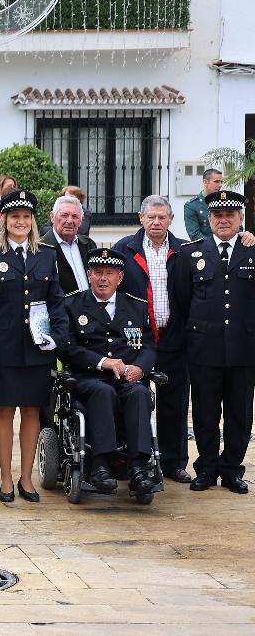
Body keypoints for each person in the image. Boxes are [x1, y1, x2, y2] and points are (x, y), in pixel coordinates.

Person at [0, 190, 67, 503]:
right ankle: (4, 478)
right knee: (4, 412)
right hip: (4, 349)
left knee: (32, 413)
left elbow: (56, 302)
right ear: (4, 220)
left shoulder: (47, 255)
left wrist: (57, 336)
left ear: (33, 221)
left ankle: (27, 478)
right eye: (15, 217)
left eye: (26, 217)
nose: (21, 222)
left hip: (38, 348)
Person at [57, 249, 159, 496]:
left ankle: (137, 468)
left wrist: (140, 368)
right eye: (98, 273)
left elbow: (148, 346)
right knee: (102, 391)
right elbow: (67, 348)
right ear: (89, 275)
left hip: (128, 378)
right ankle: (100, 466)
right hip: (89, 378)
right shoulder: (72, 305)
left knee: (140, 394)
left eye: (109, 274)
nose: (103, 279)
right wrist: (103, 362)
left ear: (120, 278)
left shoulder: (136, 306)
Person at [111, 196, 193, 483]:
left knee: (174, 401)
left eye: (162, 217)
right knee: (132, 398)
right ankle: (131, 459)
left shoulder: (185, 250)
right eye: (151, 217)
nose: (156, 223)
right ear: (140, 218)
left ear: (171, 219)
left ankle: (173, 462)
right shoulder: (125, 248)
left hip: (174, 336)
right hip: (136, 341)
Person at [178, 189, 254, 494]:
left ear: (241, 219)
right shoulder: (191, 253)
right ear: (209, 219)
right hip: (204, 348)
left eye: (229, 215)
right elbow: (183, 301)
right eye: (218, 215)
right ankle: (206, 468)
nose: (223, 220)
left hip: (244, 349)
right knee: (206, 413)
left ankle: (233, 470)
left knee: (240, 413)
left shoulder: (253, 252)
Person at [40, 195, 95, 295]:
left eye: (75, 216)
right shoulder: (41, 248)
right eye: (64, 215)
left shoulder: (88, 244)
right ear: (52, 217)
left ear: (81, 221)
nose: (70, 221)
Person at [183, 168, 224, 241]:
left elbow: (237, 226)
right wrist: (217, 244)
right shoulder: (192, 205)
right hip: (205, 248)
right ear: (205, 182)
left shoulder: (224, 201)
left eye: (221, 182)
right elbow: (194, 235)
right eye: (216, 182)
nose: (220, 185)